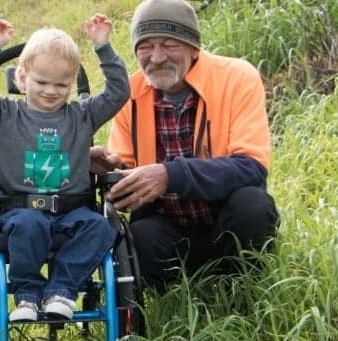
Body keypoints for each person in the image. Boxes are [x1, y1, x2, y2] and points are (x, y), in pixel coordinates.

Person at [90, 0, 280, 295]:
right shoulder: (130, 94)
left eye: (169, 44)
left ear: (194, 47)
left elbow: (252, 167)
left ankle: (244, 291)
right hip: (168, 226)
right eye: (145, 46)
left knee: (253, 207)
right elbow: (127, 190)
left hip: (225, 221)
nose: (156, 57)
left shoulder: (237, 78)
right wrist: (109, 173)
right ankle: (179, 299)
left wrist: (170, 174)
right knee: (139, 235)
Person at [0, 15, 130, 322]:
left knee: (101, 227)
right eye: (41, 82)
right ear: (21, 78)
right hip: (20, 210)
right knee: (30, 225)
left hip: (73, 210)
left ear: (73, 81)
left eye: (62, 84)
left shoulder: (82, 116)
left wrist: (103, 47)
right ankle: (27, 296)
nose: (51, 91)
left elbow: (118, 92)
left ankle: (61, 290)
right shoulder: (3, 114)